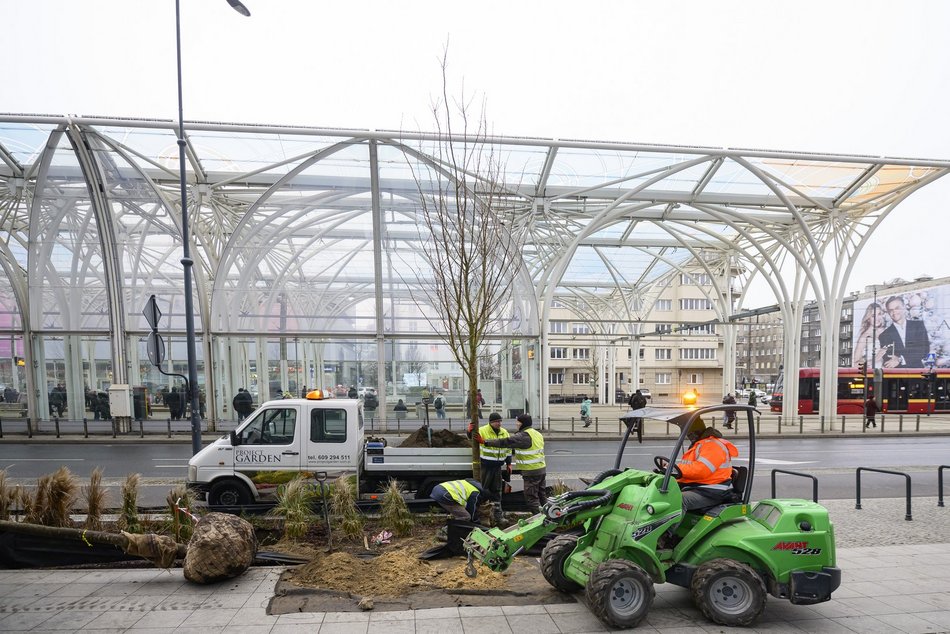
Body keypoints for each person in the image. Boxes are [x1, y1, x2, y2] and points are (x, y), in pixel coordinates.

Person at [665, 417, 739, 513]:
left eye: (691, 434)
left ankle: (671, 524)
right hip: (697, 487)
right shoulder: (698, 445)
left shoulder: (712, 445)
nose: (689, 437)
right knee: (661, 494)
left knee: (678, 500)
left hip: (711, 491)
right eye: (688, 434)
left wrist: (675, 469)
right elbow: (688, 467)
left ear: (699, 432)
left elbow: (701, 470)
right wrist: (671, 471)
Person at [477, 413, 547, 514]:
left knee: (531, 498)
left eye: (518, 422)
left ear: (522, 423)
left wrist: (485, 442)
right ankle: (550, 515)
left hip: (531, 471)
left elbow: (506, 442)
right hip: (541, 469)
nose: (516, 424)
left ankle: (542, 519)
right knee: (542, 495)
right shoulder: (537, 434)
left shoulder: (523, 436)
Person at [467, 413, 511, 524]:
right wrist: (469, 431)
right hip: (485, 466)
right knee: (482, 490)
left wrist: (509, 463)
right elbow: (472, 438)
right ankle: (481, 516)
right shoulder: (483, 430)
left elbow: (508, 448)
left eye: (500, 421)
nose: (499, 423)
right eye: (496, 421)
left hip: (497, 467)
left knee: (497, 492)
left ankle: (498, 516)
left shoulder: (504, 432)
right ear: (491, 422)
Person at [878, 295, 931, 368]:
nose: (894, 312)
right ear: (888, 312)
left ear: (904, 307)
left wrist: (900, 359)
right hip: (898, 373)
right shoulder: (884, 335)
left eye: (897, 308)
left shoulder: (918, 326)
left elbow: (924, 350)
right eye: (890, 310)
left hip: (917, 371)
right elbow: (888, 359)